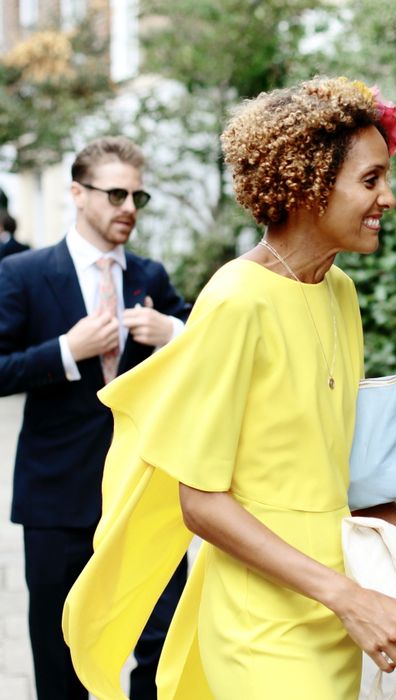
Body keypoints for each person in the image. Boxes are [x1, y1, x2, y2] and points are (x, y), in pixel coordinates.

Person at [63, 77, 396, 699]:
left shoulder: (340, 291)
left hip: (336, 608)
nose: (389, 199)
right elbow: (202, 502)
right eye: (371, 180)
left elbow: (342, 459)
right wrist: (349, 598)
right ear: (307, 184)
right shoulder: (236, 301)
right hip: (261, 620)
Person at [0, 137, 190, 700]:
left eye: (138, 195)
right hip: (56, 495)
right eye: (115, 194)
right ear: (78, 194)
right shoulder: (24, 273)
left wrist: (171, 334)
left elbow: (206, 352)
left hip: (143, 494)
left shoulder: (151, 276)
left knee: (160, 640)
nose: (128, 207)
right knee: (61, 649)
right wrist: (65, 349)